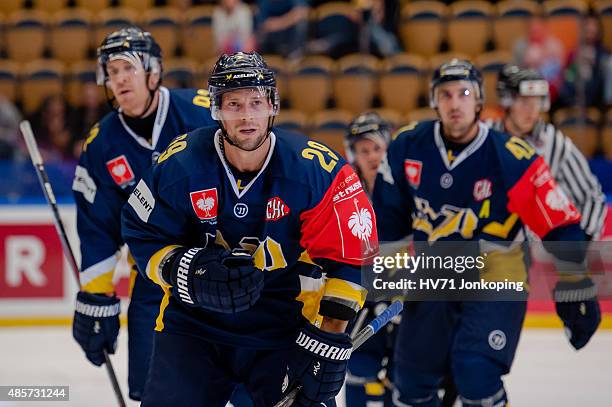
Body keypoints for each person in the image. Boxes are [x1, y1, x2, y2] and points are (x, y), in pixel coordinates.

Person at [121, 51, 377, 406]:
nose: (246, 116)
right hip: (195, 325)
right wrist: (190, 271)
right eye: (234, 104)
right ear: (216, 110)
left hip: (285, 329)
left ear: (272, 105)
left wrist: (328, 337)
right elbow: (142, 231)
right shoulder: (180, 163)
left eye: (256, 103)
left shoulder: (317, 171)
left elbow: (352, 255)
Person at [372, 59, 601, 406]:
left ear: (479, 101)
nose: (454, 103)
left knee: (475, 372)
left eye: (464, 93)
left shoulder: (512, 156)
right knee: (411, 383)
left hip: (497, 277)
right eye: (445, 94)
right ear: (434, 101)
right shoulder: (407, 146)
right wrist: (381, 282)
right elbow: (387, 223)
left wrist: (576, 280)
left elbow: (560, 223)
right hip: (434, 279)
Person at [70, 27, 217, 401]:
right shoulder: (102, 142)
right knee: (153, 393)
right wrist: (98, 296)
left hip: (220, 269)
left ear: (153, 71)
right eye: (111, 70)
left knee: (236, 384)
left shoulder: (202, 112)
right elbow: (97, 224)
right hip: (156, 278)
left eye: (127, 68)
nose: (118, 78)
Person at [494, 64, 607, 240]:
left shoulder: (555, 143)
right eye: (524, 101)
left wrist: (583, 241)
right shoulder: (487, 138)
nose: (532, 110)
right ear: (507, 101)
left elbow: (592, 197)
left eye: (537, 101)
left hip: (538, 251)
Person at [343, 112, 396, 406]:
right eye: (364, 150)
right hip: (362, 292)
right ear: (353, 154)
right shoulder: (344, 193)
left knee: (402, 370)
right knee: (359, 364)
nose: (372, 156)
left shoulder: (404, 187)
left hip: (401, 291)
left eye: (377, 148)